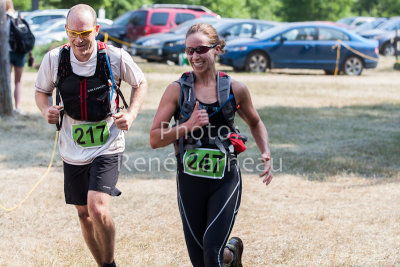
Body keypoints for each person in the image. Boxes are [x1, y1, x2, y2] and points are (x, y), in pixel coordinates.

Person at [150, 23, 272, 267]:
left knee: (211, 254)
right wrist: (188, 125)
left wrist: (266, 152)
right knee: (202, 259)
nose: (195, 56)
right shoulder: (176, 90)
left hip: (225, 180)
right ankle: (232, 254)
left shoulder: (235, 89)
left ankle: (223, 254)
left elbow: (256, 122)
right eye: (189, 51)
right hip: (189, 181)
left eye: (201, 49)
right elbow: (154, 138)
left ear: (217, 49)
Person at [35, 4, 147, 267]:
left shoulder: (114, 56)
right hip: (72, 145)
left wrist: (130, 114)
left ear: (96, 30)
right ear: (66, 31)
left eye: (84, 32)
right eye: (73, 32)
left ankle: (109, 264)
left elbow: (140, 83)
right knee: (84, 213)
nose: (78, 39)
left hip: (107, 141)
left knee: (97, 208)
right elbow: (41, 92)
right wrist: (45, 110)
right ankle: (103, 264)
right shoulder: (55, 59)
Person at [6, 0, 30, 115]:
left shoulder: (4, 18)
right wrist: (30, 53)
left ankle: (6, 106)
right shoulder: (18, 15)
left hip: (8, 53)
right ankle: (17, 106)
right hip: (20, 52)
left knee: (6, 81)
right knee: (18, 82)